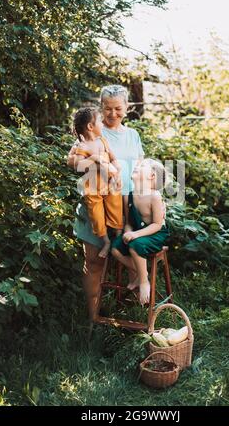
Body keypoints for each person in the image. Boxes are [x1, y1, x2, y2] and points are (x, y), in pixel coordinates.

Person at [67, 85, 144, 323]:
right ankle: (93, 319)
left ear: (127, 108)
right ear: (101, 108)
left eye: (118, 108)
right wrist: (100, 163)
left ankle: (133, 315)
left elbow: (141, 166)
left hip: (128, 205)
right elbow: (73, 162)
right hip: (96, 203)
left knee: (133, 256)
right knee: (94, 262)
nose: (112, 114)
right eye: (108, 109)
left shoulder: (133, 135)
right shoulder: (93, 131)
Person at [111, 158, 170, 305]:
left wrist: (135, 234)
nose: (137, 165)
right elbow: (130, 222)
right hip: (136, 233)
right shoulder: (128, 196)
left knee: (135, 244)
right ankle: (143, 272)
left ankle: (144, 282)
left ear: (152, 176)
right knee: (115, 248)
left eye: (143, 165)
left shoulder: (154, 196)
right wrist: (127, 232)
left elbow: (157, 224)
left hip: (155, 234)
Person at [71, 107, 123, 258]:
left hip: (110, 183)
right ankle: (106, 241)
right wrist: (94, 158)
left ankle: (118, 239)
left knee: (116, 210)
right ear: (90, 126)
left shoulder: (103, 141)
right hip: (93, 187)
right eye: (100, 121)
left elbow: (113, 159)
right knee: (97, 216)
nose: (103, 123)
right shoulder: (83, 146)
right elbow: (78, 165)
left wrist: (118, 172)